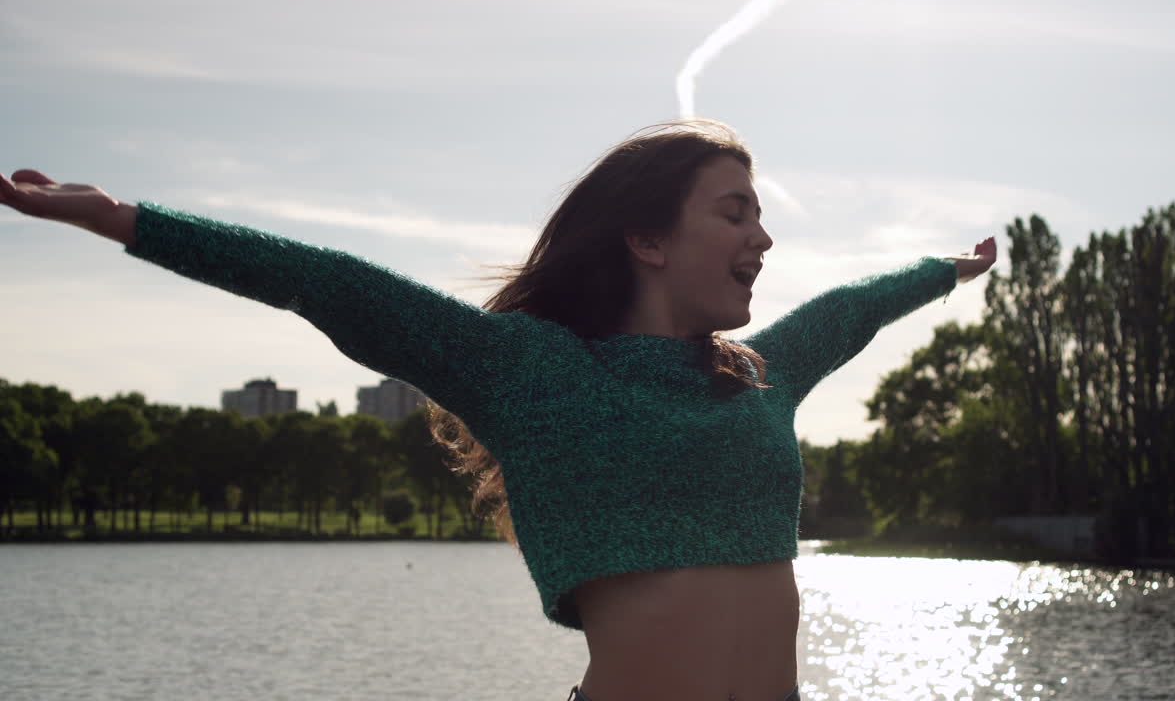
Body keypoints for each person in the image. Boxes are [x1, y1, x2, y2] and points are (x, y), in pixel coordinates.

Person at [0, 120, 996, 701]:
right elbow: (328, 283)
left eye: (760, 213)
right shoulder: (531, 372)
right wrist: (120, 218)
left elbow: (855, 307)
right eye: (733, 211)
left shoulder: (757, 374)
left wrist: (942, 270)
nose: (763, 237)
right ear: (646, 239)